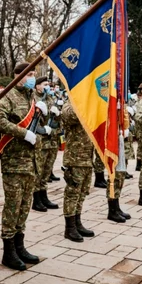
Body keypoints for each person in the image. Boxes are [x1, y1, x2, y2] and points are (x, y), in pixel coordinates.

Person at [0, 63, 41, 271]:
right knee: (12, 206)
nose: (31, 78)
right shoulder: (7, 96)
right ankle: (8, 251)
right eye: (28, 74)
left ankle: (20, 245)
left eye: (33, 74)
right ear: (18, 75)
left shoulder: (31, 96)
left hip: (31, 160)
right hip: (14, 161)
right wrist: (22, 133)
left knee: (24, 205)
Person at [60, 101, 96, 241]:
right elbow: (69, 116)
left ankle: (77, 222)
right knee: (72, 194)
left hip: (87, 157)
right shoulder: (70, 105)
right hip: (75, 158)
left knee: (82, 193)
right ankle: (69, 228)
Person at [31, 76, 59, 212]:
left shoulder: (50, 98)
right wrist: (42, 130)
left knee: (47, 170)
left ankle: (44, 196)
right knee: (39, 170)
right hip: (40, 140)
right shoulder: (33, 98)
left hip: (51, 140)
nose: (47, 86)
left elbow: (54, 121)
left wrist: (56, 116)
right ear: (37, 86)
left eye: (48, 84)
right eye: (44, 84)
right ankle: (36, 199)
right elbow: (31, 122)